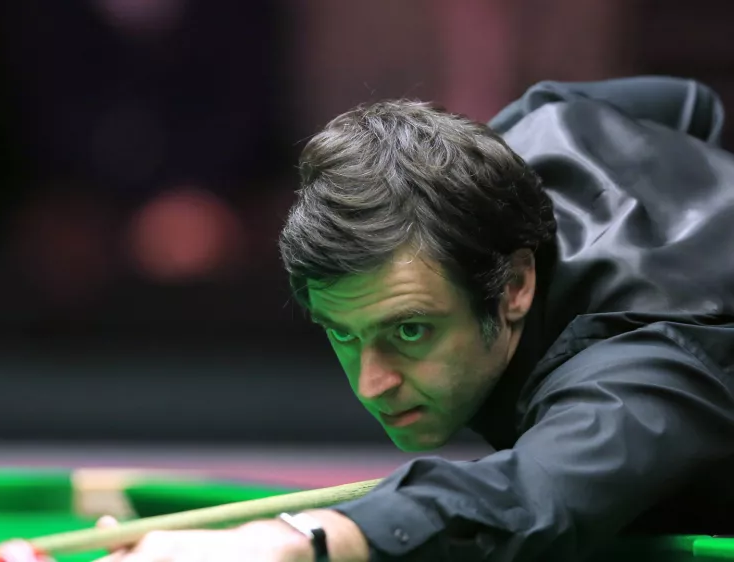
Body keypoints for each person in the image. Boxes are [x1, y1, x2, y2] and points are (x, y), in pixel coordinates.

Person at [94, 76, 734, 561]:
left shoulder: (646, 366)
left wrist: (283, 545)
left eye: (409, 330)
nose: (373, 384)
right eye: (343, 333)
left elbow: (531, 497)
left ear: (513, 284)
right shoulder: (535, 133)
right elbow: (692, 106)